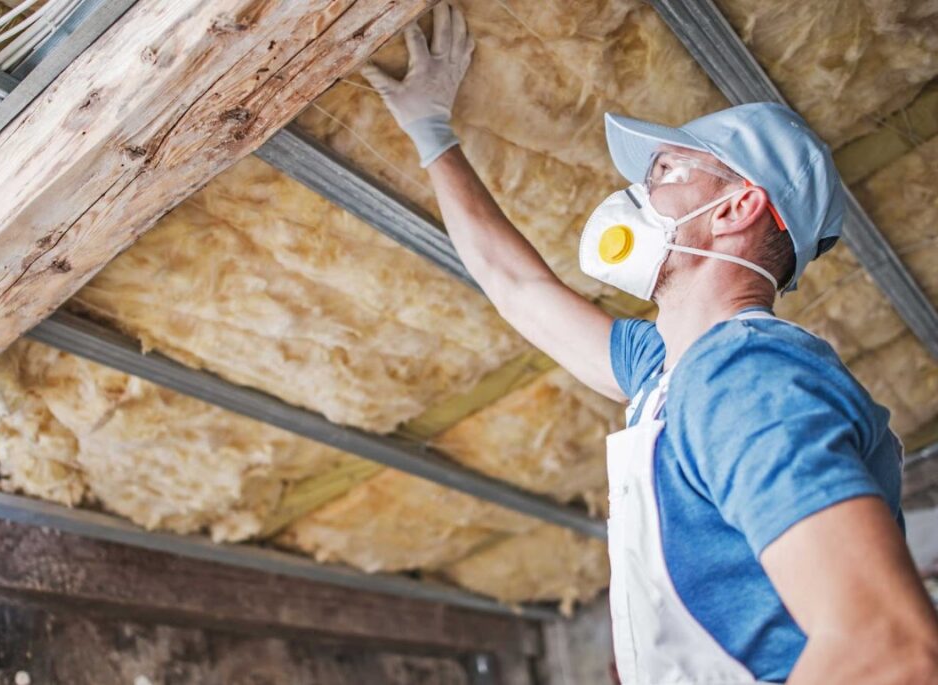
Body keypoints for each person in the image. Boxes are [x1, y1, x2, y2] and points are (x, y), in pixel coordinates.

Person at [361, 3, 938, 683]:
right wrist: (432, 134)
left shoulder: (746, 377)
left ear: (736, 208)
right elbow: (517, 288)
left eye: (666, 173)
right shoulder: (671, 374)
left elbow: (890, 646)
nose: (637, 193)